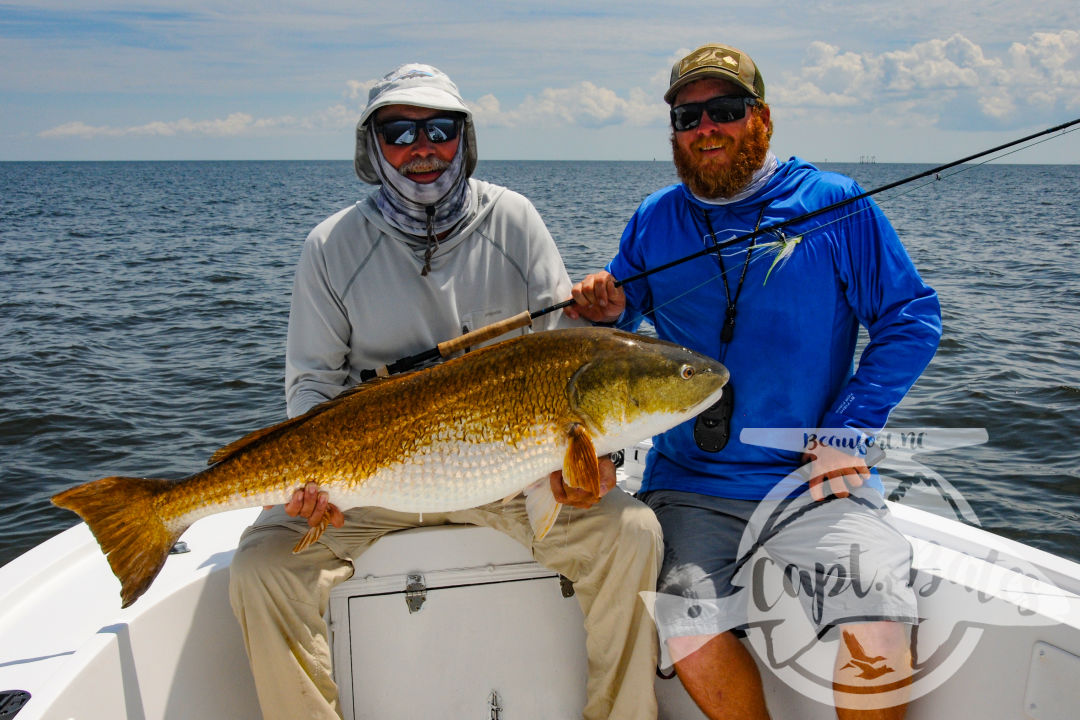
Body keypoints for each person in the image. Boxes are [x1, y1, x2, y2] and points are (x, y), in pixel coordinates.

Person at [228, 64, 663, 720]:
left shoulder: (514, 222)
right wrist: (317, 482)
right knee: (261, 570)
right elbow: (314, 385)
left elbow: (565, 369)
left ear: (466, 138)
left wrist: (594, 463)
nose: (422, 147)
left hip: (509, 474)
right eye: (398, 131)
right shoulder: (332, 247)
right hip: (367, 484)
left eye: (440, 128)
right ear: (371, 147)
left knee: (634, 536)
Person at [566, 44, 942, 719]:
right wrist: (605, 303)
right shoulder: (657, 217)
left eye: (725, 110)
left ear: (761, 117)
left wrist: (848, 430)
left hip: (815, 480)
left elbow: (911, 318)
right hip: (691, 486)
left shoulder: (834, 204)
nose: (706, 128)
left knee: (880, 628)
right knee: (686, 625)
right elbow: (626, 307)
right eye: (688, 116)